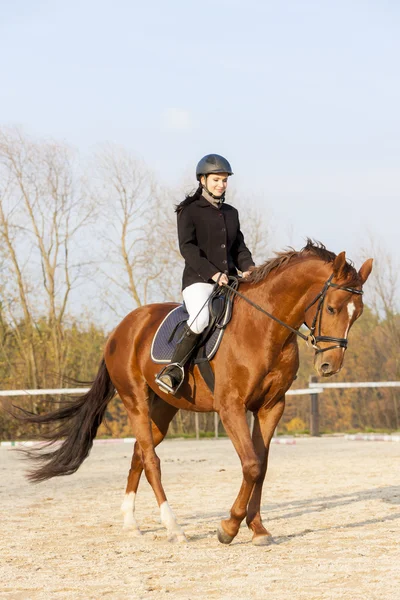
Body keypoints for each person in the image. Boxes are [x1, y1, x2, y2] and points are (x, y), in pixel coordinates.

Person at [155, 154, 255, 395]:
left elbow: (239, 247)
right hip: (199, 281)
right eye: (216, 180)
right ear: (203, 180)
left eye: (224, 180)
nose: (221, 185)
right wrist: (213, 274)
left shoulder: (231, 213)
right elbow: (187, 248)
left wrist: (250, 268)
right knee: (200, 320)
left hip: (230, 281)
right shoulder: (189, 210)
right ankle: (174, 369)